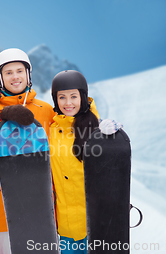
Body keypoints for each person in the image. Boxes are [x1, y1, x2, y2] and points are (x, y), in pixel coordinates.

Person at [0, 48, 55, 254]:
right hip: (6, 204)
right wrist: (7, 119)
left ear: (28, 74)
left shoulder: (45, 110)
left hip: (42, 203)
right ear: (0, 79)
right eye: (8, 72)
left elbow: (61, 143)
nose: (15, 77)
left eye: (19, 70)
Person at [49, 70, 122, 254]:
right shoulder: (51, 132)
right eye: (62, 97)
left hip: (96, 223)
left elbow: (114, 172)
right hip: (66, 227)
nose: (68, 103)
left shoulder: (98, 129)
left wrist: (112, 138)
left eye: (73, 96)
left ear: (83, 96)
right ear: (55, 100)